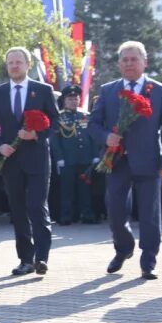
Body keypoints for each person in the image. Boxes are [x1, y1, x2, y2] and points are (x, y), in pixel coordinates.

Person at [86, 41, 162, 280]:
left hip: (149, 162)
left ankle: (148, 260)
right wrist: (107, 137)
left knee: (149, 213)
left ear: (144, 62)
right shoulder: (107, 90)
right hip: (116, 161)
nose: (128, 63)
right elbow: (93, 125)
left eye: (133, 59)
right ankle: (123, 248)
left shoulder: (159, 91)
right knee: (115, 211)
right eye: (124, 59)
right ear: (118, 64)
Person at [0, 47, 59, 275]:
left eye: (18, 62)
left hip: (36, 158)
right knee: (17, 209)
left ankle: (42, 257)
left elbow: (55, 122)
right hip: (11, 160)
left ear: (28, 65)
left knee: (37, 206)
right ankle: (26, 259)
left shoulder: (43, 90)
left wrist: (36, 135)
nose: (14, 66)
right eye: (10, 63)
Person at [50, 85, 96, 225]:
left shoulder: (86, 116)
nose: (73, 101)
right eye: (70, 99)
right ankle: (66, 216)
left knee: (85, 189)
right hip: (67, 159)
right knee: (67, 189)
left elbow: (92, 137)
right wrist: (59, 158)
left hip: (85, 158)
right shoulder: (59, 117)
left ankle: (87, 214)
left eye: (75, 99)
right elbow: (55, 140)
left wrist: (95, 155)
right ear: (64, 100)